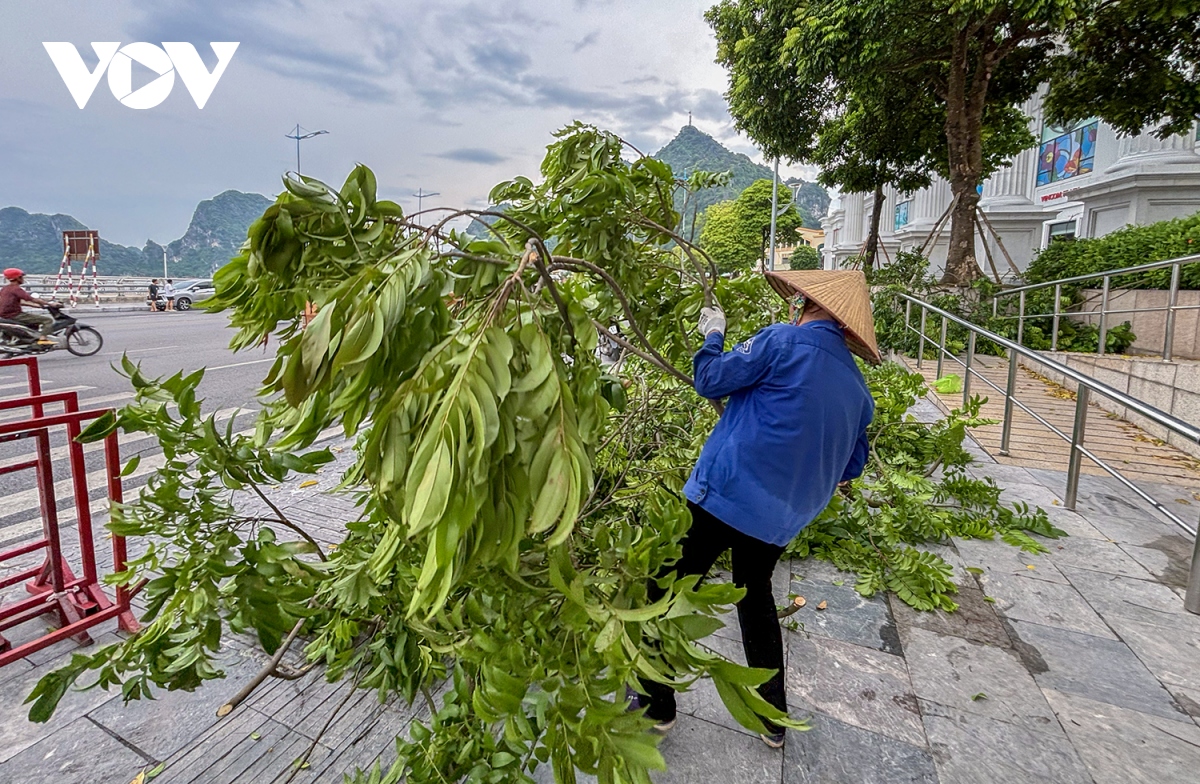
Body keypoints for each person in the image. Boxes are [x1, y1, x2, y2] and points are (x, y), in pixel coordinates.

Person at [633, 269, 879, 749]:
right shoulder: (858, 392)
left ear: (804, 304)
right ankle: (772, 720)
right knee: (755, 598)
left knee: (661, 590)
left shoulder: (782, 341)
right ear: (847, 329)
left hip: (723, 495)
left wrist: (713, 334)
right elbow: (852, 464)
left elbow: (710, 380)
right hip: (781, 520)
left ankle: (657, 706)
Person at [0, 268, 56, 339]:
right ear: (18, 278)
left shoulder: (5, 289)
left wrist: (36, 306)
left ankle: (31, 338)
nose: (23, 279)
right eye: (22, 277)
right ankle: (43, 339)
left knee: (35, 322)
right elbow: (31, 299)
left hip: (4, 315)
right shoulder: (16, 289)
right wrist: (50, 304)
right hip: (15, 315)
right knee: (47, 320)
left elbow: (19, 301)